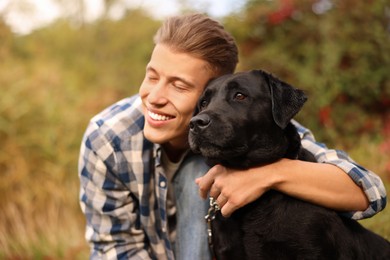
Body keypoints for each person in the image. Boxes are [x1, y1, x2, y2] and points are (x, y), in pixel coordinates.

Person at [78, 13, 387, 259]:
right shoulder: (108, 138)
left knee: (199, 170)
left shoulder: (252, 128)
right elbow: (114, 246)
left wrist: (269, 174)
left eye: (180, 86)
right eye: (152, 76)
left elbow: (370, 191)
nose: (155, 97)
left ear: (216, 90)